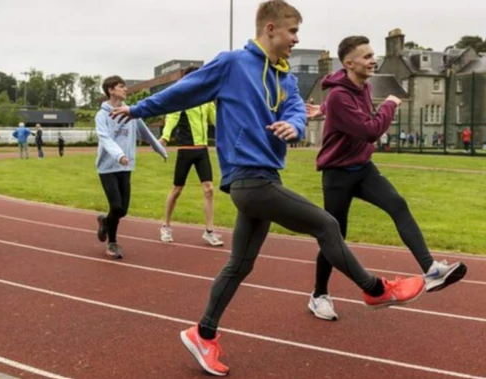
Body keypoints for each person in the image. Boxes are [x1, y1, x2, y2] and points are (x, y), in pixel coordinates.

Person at [110, 1, 425, 375]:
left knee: (239, 264)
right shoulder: (232, 64)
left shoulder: (285, 78)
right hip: (247, 178)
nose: (297, 39)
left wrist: (292, 124)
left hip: (267, 178)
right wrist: (138, 109)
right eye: (293, 32)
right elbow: (186, 91)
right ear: (271, 28)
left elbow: (293, 108)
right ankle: (375, 290)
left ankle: (203, 333)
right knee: (326, 224)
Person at [305, 36, 467, 322]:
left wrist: (324, 110)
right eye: (366, 56)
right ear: (349, 63)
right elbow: (369, 130)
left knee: (398, 204)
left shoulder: (361, 88)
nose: (372, 60)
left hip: (363, 168)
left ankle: (431, 270)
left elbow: (348, 109)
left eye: (372, 55)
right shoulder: (339, 95)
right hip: (337, 174)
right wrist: (390, 104)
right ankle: (319, 295)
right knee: (334, 235)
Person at [95, 75, 168, 259]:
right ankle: (112, 243)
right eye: (121, 86)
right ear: (111, 90)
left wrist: (160, 150)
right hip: (108, 167)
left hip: (126, 167)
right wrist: (119, 155)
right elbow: (104, 138)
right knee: (116, 206)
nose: (125, 89)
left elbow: (146, 133)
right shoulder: (102, 115)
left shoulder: (131, 113)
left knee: (123, 210)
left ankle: (105, 220)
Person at [158, 66, 222, 247]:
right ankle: (165, 225)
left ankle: (209, 231)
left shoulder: (206, 99)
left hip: (202, 150)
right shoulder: (181, 98)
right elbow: (172, 118)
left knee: (209, 189)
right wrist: (164, 137)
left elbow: (217, 120)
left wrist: (233, 133)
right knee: (177, 189)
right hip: (185, 149)